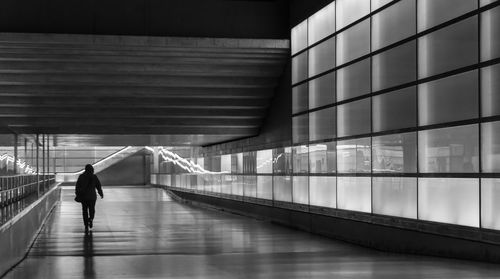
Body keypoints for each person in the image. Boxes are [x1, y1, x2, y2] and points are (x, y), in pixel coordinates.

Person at [75, 164, 103, 233]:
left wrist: (77, 193)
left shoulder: (81, 177)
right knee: (92, 209)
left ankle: (86, 225)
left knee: (84, 211)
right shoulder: (94, 177)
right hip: (92, 197)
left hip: (84, 197)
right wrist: (101, 193)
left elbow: (77, 186)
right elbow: (98, 186)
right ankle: (91, 219)